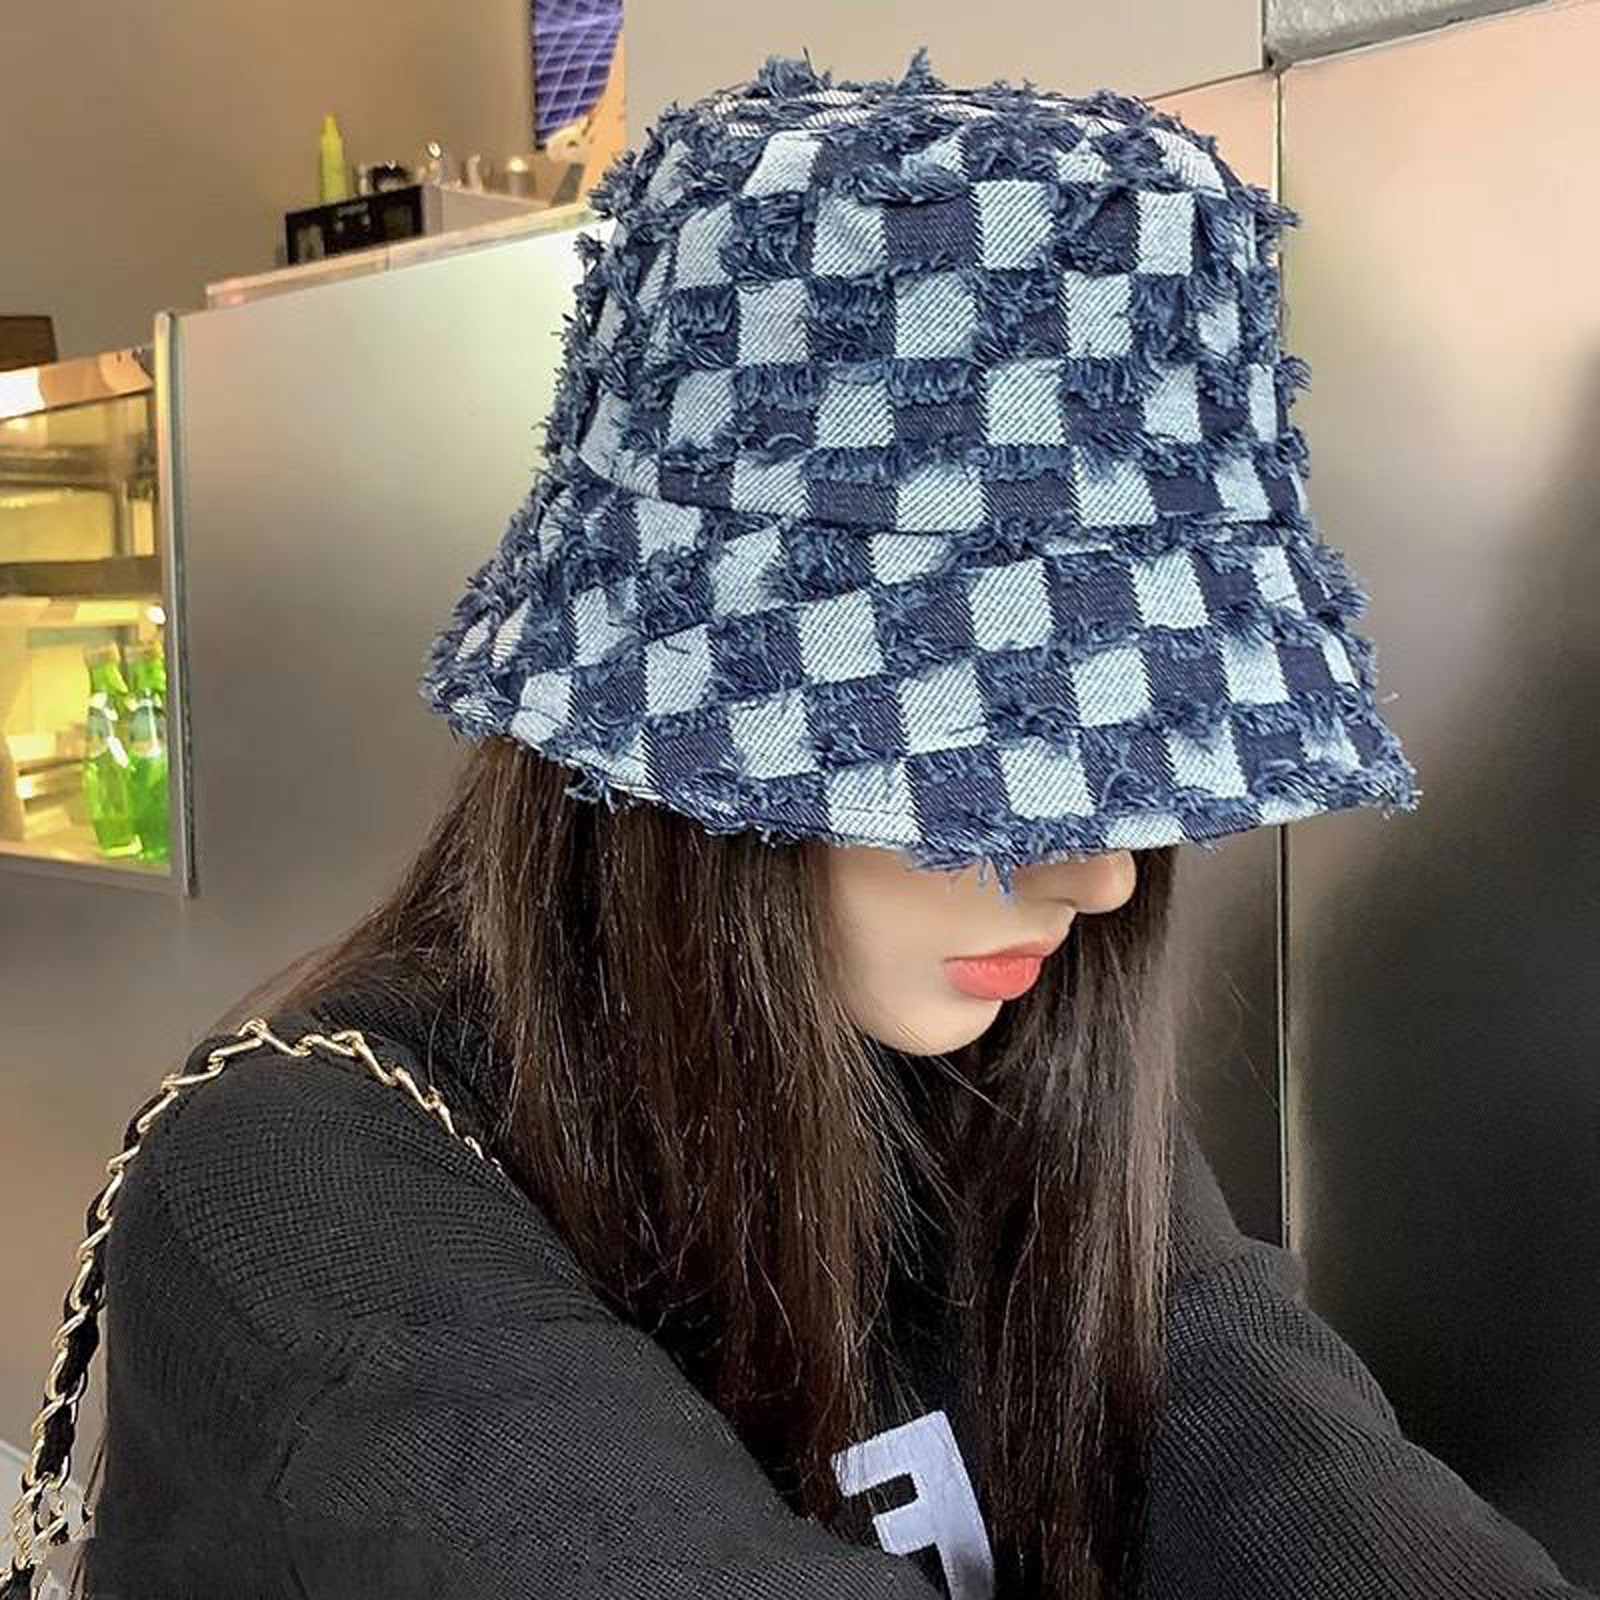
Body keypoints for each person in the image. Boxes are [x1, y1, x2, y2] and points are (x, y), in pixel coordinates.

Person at [7, 45, 1591, 1600]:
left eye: (1134, 748)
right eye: (998, 744)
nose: (1104, 873)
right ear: (696, 728)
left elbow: (1287, 1460)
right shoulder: (304, 1196)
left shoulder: (982, 1071)